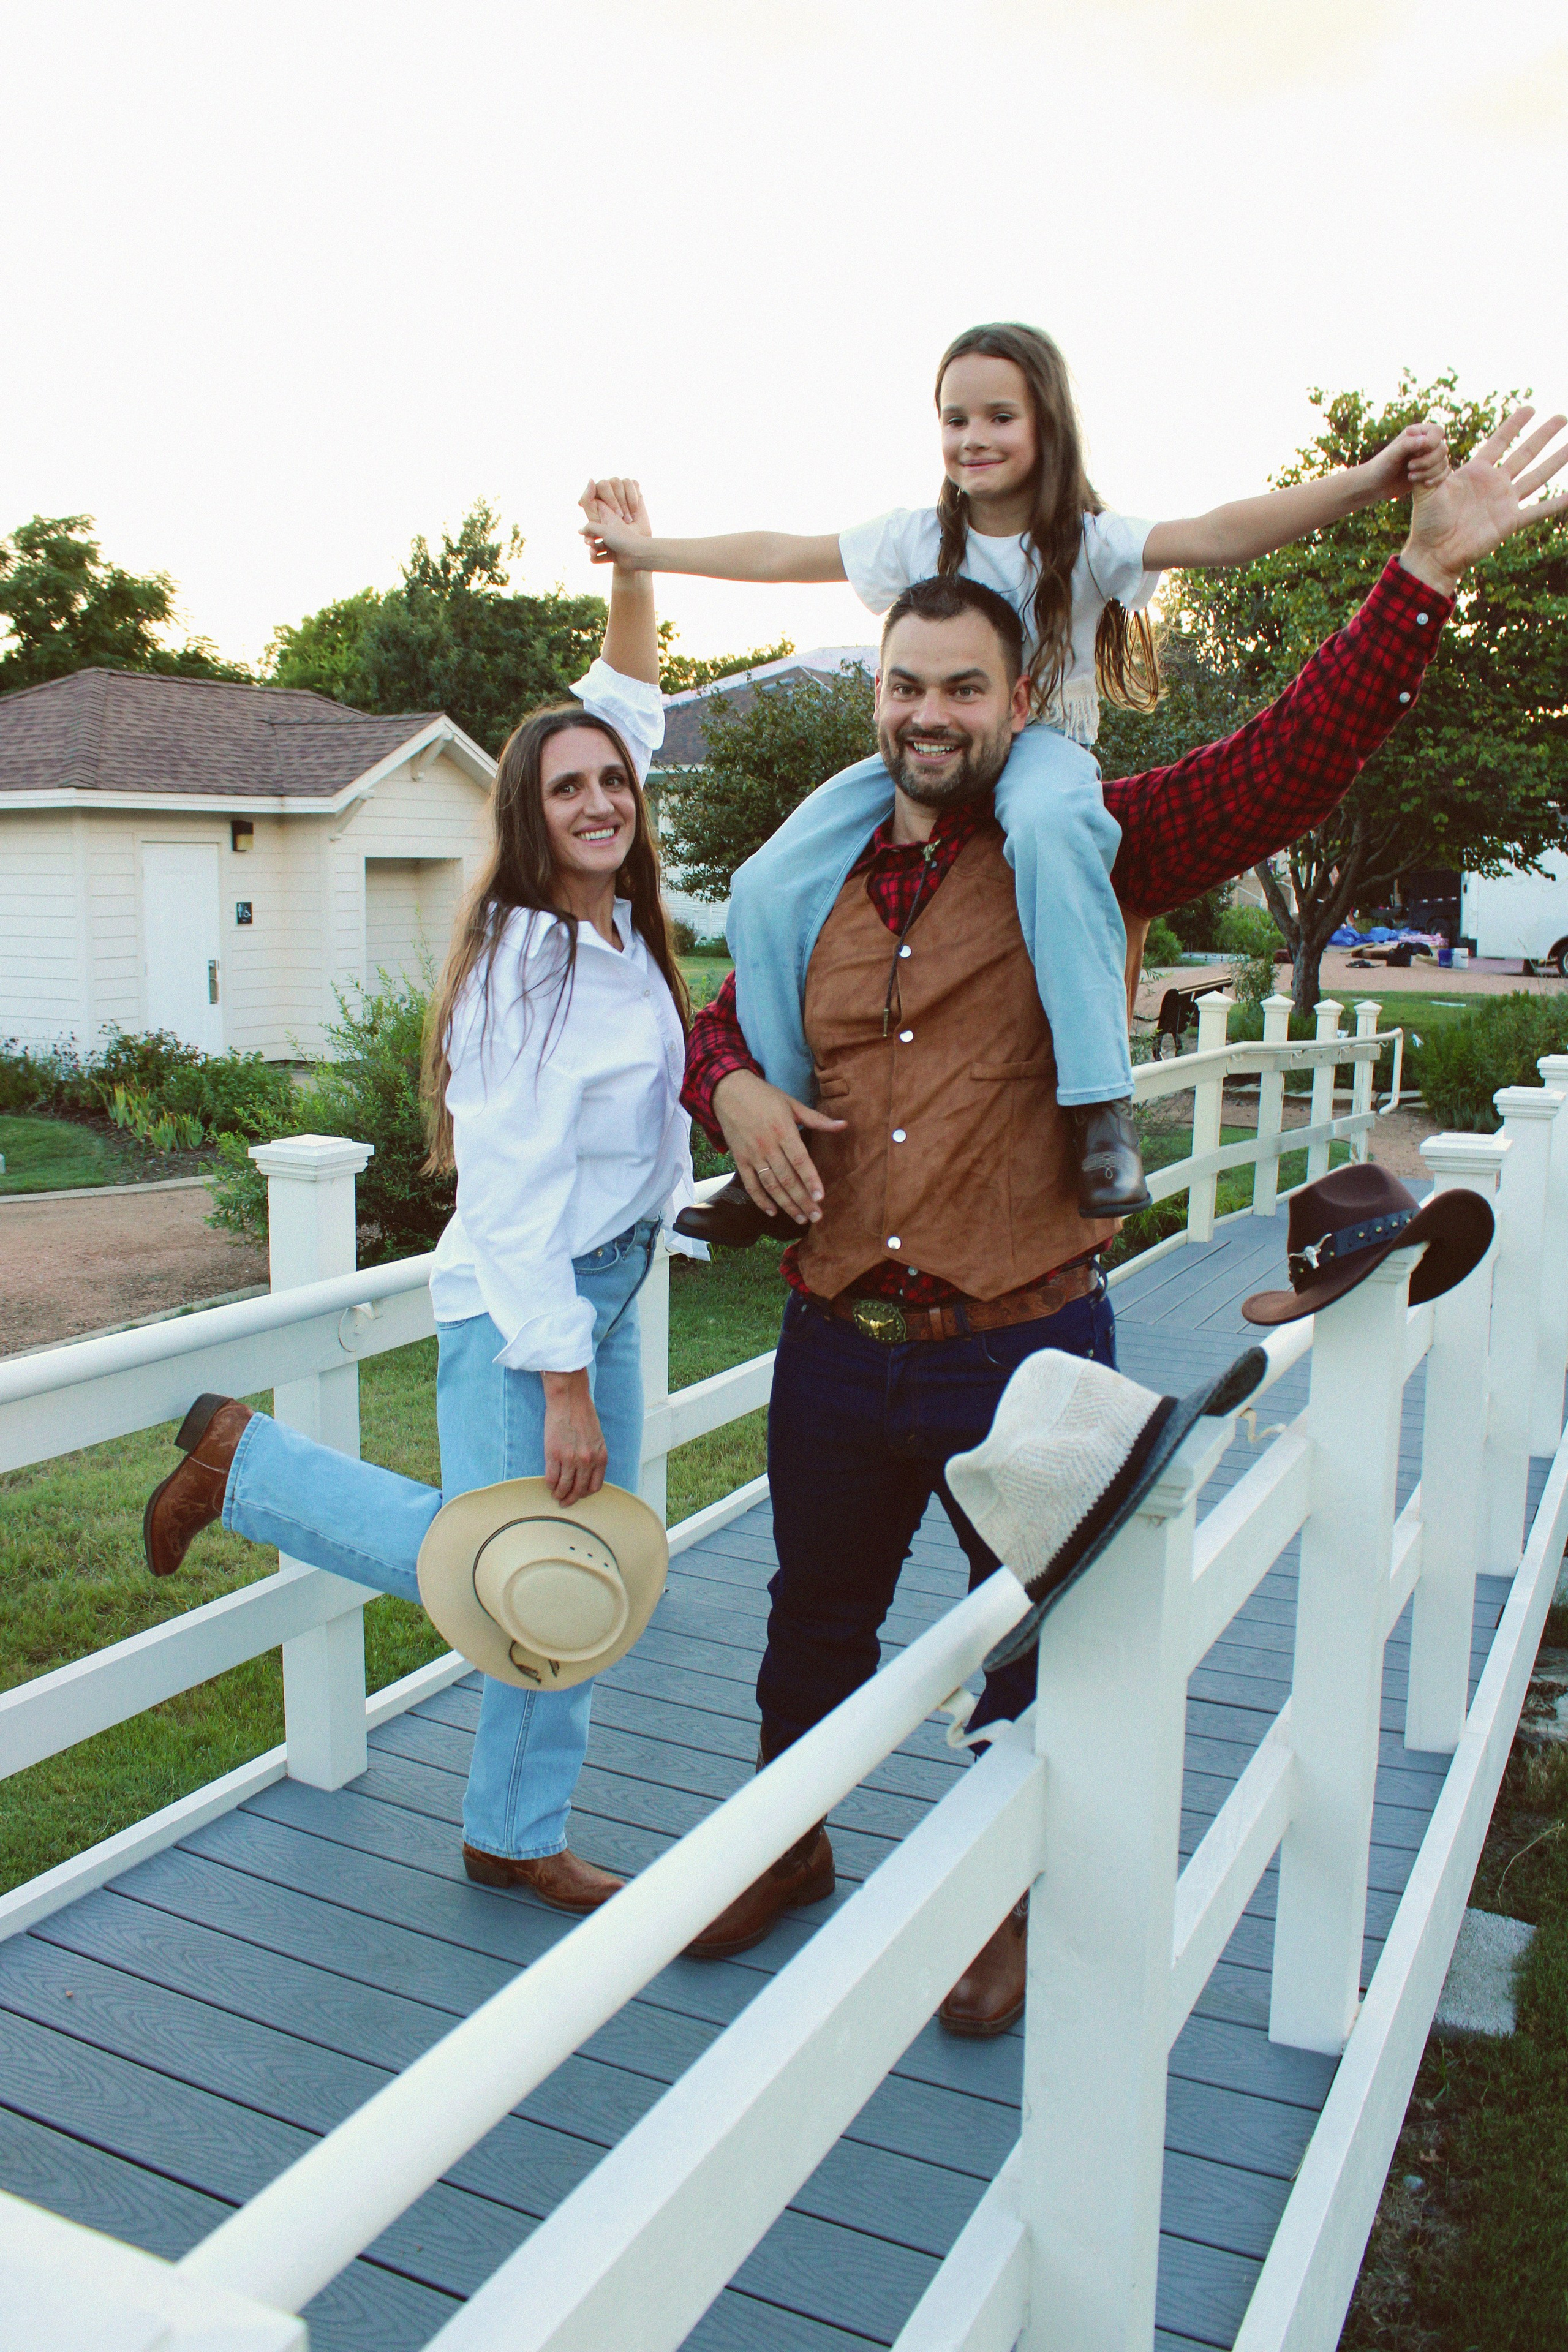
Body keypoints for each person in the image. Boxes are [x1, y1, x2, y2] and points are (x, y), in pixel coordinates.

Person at [672, 404, 1568, 2030]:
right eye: (903, 684)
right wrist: (726, 1086)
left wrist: (1419, 580)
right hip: (832, 1340)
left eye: (962, 688)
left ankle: (1004, 1904)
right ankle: (786, 1845)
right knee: (812, 1630)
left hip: (1015, 1340)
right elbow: (724, 1022)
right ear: (874, 694)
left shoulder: (1093, 847)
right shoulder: (807, 879)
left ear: (1022, 702)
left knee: (1029, 1651)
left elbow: (1283, 764)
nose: (928, 714)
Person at [140, 481, 692, 1915]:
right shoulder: (522, 958)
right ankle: (244, 1470)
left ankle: (514, 1828)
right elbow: (508, 1202)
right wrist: (560, 1378)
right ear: (526, 812)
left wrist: (633, 567)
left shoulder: (622, 927)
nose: (597, 798)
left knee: (583, 1569)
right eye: (565, 786)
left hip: (616, 1281)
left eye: (611, 784)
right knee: (516, 1556)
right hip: (534, 1300)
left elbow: (628, 698)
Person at [582, 322, 1448, 1222]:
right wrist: (650, 554)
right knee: (766, 880)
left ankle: (1099, 1110)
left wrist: (1369, 480)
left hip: (1041, 753)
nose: (975, 438)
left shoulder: (1084, 540)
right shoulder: (916, 538)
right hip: (923, 754)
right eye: (955, 419)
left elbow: (1225, 535)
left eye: (1000, 416)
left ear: (1046, 426)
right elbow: (776, 553)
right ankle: (791, 1140)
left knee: (1048, 828)